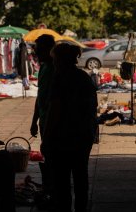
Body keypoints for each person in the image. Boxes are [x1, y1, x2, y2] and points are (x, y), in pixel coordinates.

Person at [41, 42, 98, 212]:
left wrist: (47, 136)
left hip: (63, 136)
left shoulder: (60, 78)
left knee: (62, 179)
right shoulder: (83, 77)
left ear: (60, 59)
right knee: (81, 176)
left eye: (54, 59)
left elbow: (54, 111)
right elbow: (92, 105)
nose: (53, 63)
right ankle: (81, 208)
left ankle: (64, 208)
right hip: (83, 134)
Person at [30, 34, 56, 138]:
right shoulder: (43, 67)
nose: (36, 53)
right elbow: (40, 96)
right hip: (44, 121)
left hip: (54, 123)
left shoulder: (57, 70)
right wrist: (34, 121)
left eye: (39, 49)